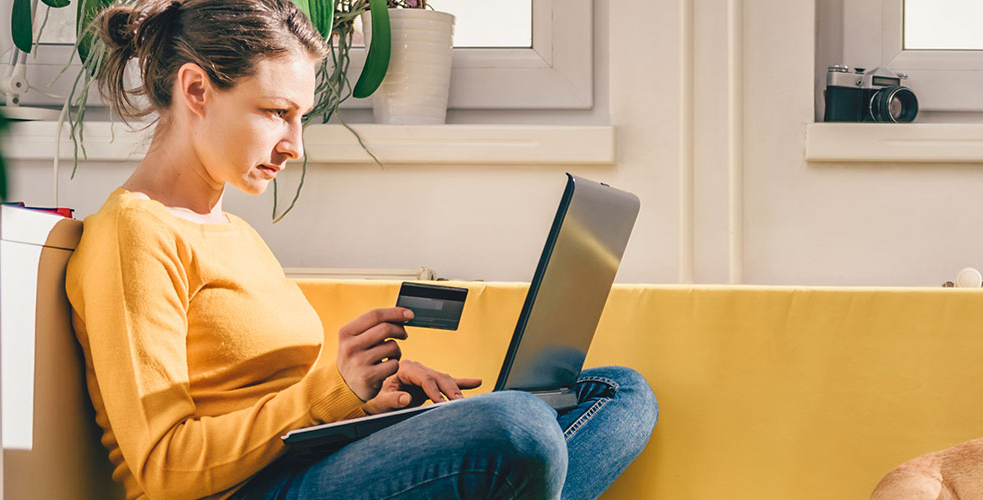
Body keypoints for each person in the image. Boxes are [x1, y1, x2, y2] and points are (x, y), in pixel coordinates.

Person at [62, 1, 656, 498]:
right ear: (196, 89)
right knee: (518, 426)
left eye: (301, 119)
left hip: (302, 464)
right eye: (276, 113)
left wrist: (368, 401)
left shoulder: (235, 234)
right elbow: (164, 466)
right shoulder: (133, 234)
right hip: (242, 490)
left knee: (617, 393)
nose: (294, 144)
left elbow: (285, 406)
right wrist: (332, 393)